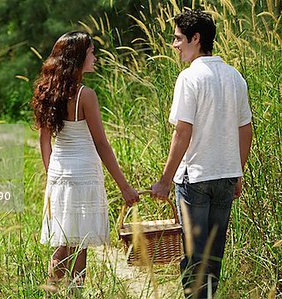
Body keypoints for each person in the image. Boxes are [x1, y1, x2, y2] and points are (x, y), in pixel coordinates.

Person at [151, 10, 253, 298]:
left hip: (194, 179)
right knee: (214, 256)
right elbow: (245, 130)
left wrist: (164, 181)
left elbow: (182, 132)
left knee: (194, 258)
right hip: (225, 179)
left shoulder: (189, 77)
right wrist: (238, 171)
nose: (174, 44)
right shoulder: (235, 76)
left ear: (196, 39)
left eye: (178, 38)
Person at [31, 31, 139, 289]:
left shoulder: (47, 91)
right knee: (76, 246)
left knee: (67, 242)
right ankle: (66, 293)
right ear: (78, 58)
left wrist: (51, 175)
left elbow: (44, 140)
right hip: (83, 175)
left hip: (59, 173)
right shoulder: (85, 95)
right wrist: (124, 187)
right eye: (91, 52)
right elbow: (101, 144)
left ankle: (58, 293)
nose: (95, 57)